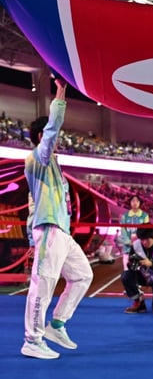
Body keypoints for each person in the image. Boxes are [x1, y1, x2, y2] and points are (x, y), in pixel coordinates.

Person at [22, 77, 93, 359]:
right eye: (52, 136)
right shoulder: (37, 158)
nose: (58, 140)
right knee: (44, 283)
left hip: (62, 232)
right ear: (42, 137)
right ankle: (32, 339)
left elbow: (31, 205)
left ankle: (57, 323)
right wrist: (61, 94)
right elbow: (51, 132)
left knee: (83, 276)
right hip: (50, 230)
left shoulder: (53, 167)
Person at [121, 227, 153, 314]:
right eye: (142, 240)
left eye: (147, 240)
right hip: (145, 276)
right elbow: (130, 265)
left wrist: (151, 264)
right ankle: (139, 302)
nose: (144, 242)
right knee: (126, 275)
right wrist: (132, 264)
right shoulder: (136, 245)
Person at [119, 195, 150, 270]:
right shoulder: (124, 216)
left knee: (140, 270)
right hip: (128, 247)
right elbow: (123, 230)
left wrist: (139, 242)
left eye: (137, 201)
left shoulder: (145, 216)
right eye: (133, 201)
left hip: (140, 246)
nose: (135, 203)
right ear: (130, 203)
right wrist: (128, 242)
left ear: (140, 203)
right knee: (127, 269)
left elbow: (146, 231)